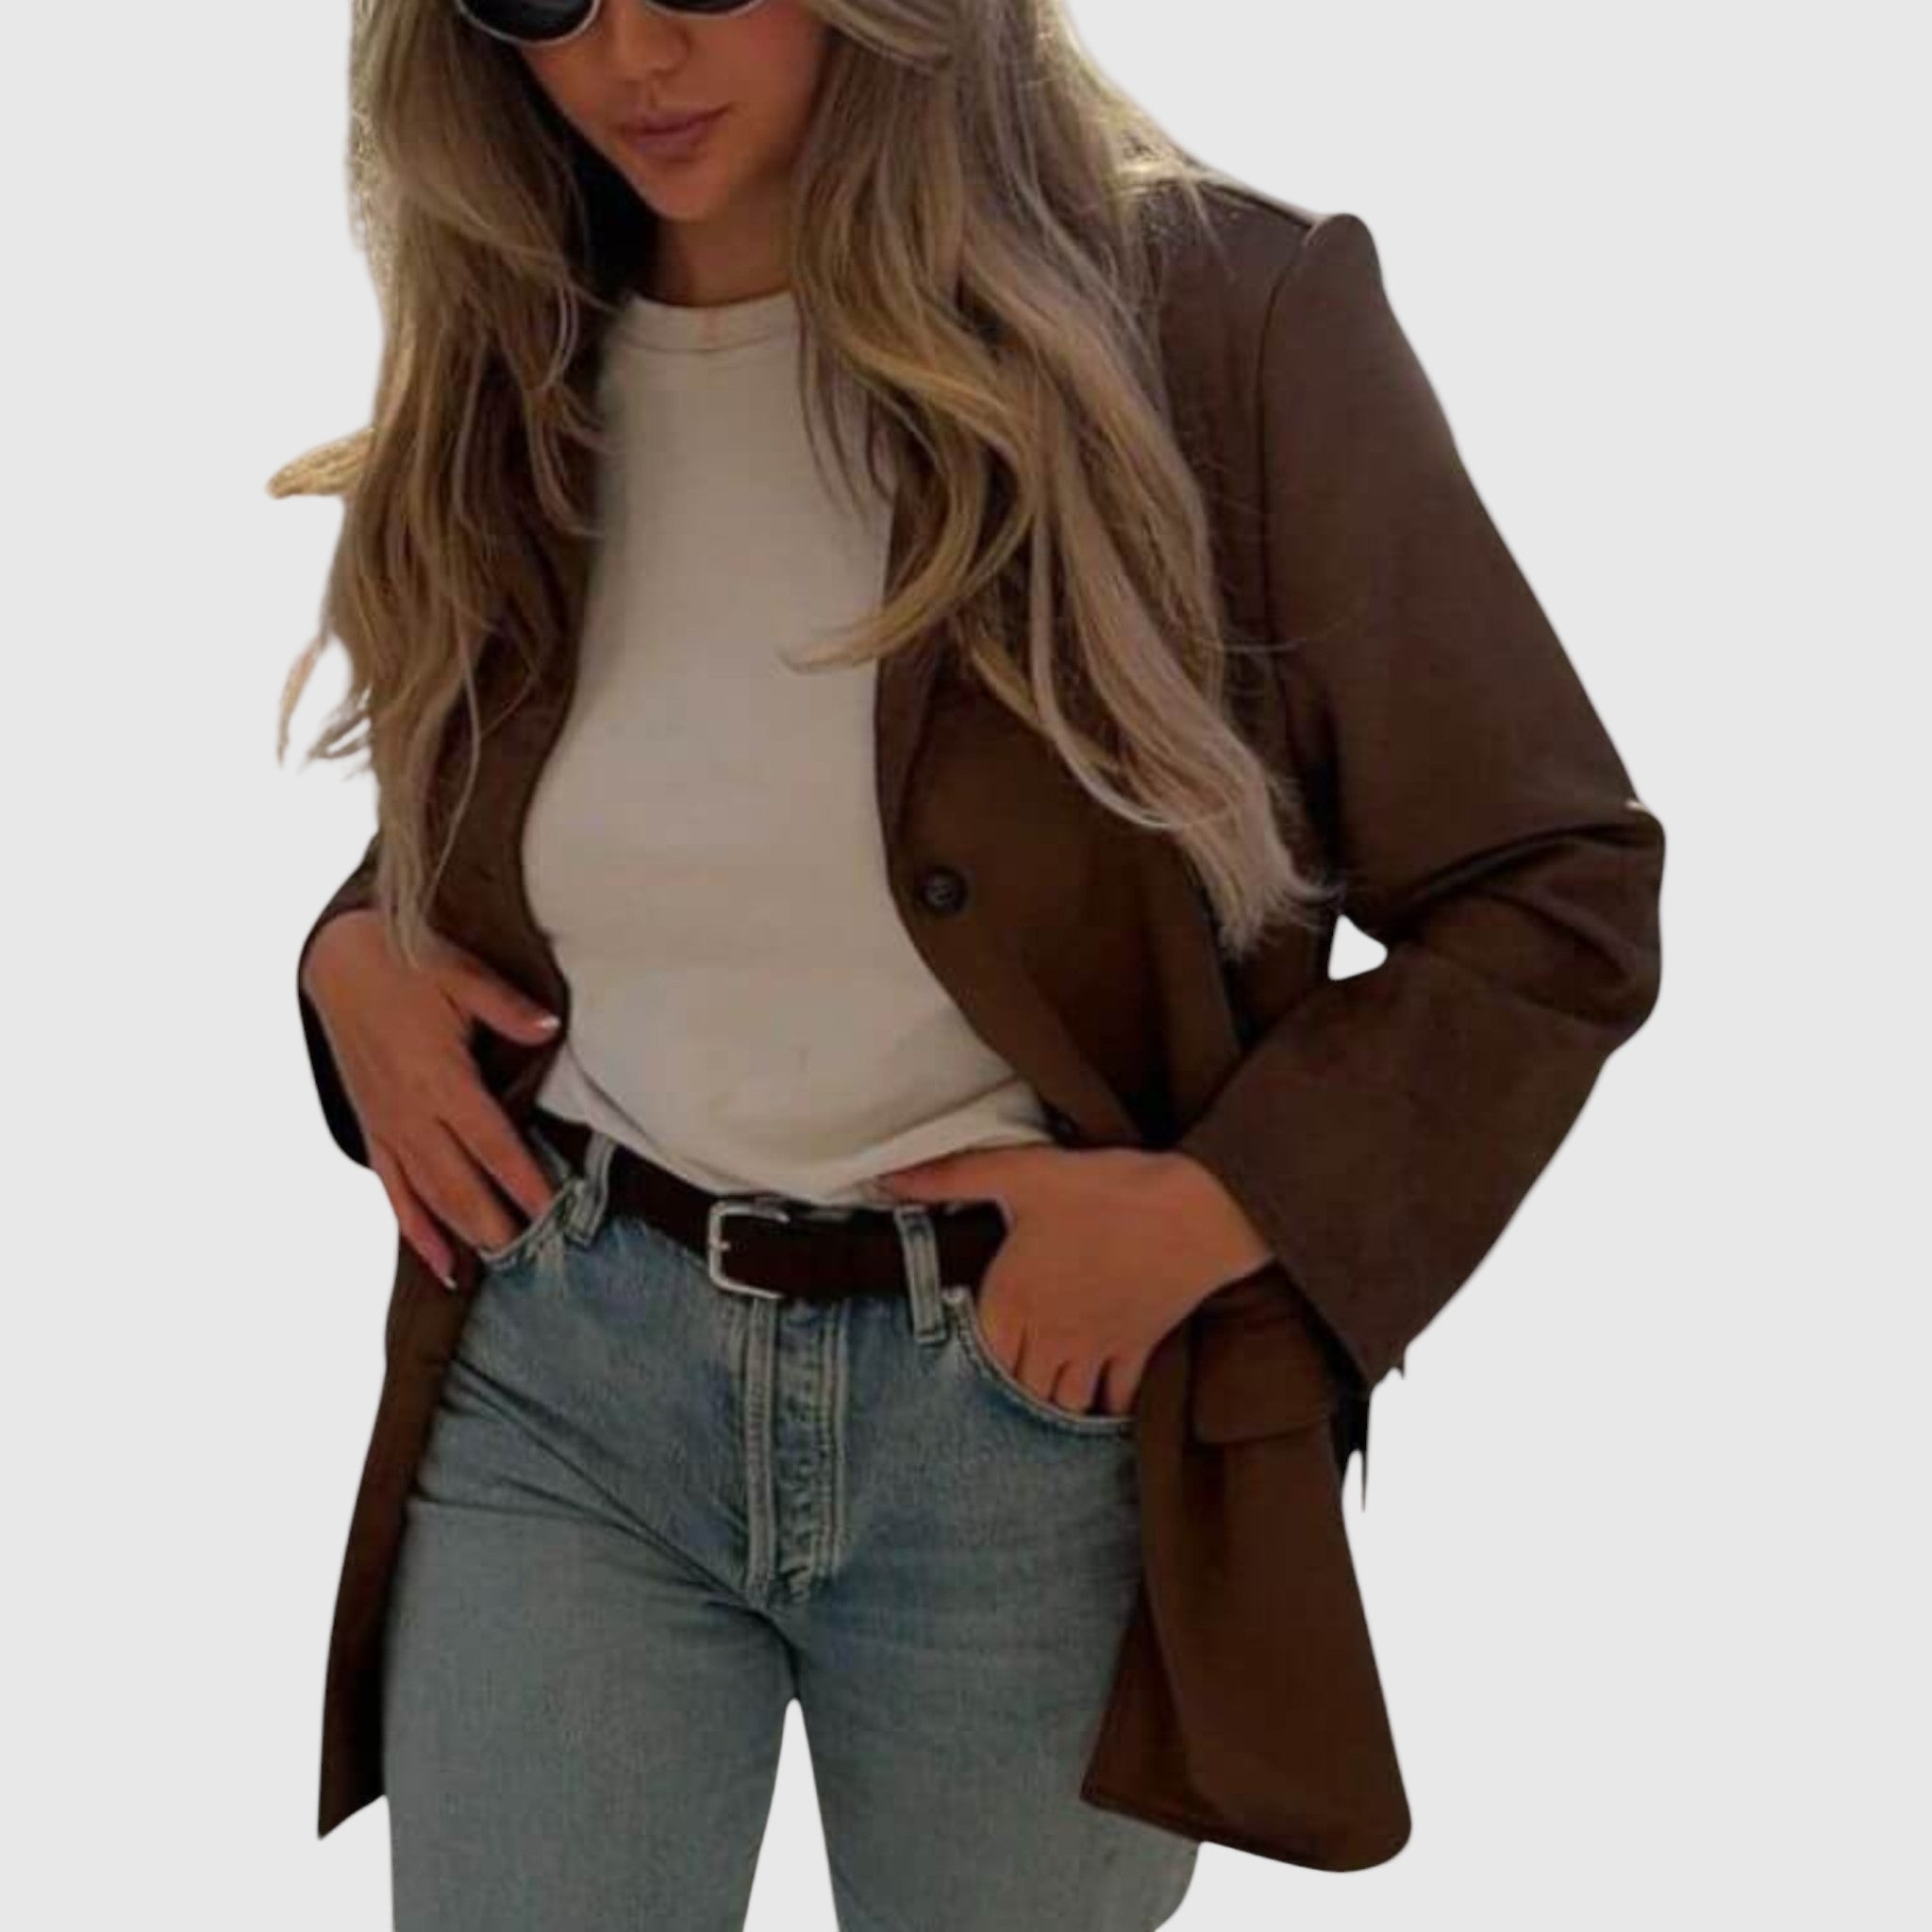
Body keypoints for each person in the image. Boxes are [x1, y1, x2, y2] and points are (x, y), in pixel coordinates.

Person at [280, 0, 1666, 1924]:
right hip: (567, 1379)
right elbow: (617, 787)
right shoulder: (521, 329)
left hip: (1031, 1425)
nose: (632, 54)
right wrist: (360, 947)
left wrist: (1224, 1210)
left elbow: (1549, 887)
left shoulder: (1220, 320)